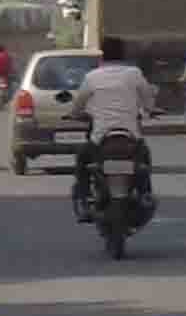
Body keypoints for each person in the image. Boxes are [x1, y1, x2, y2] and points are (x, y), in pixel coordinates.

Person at [67, 34, 160, 212]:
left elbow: (78, 104)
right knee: (144, 160)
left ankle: (84, 197)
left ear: (102, 55)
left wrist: (73, 115)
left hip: (100, 137)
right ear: (124, 55)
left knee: (82, 159)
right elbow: (148, 100)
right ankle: (145, 193)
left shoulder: (92, 77)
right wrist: (151, 110)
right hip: (131, 136)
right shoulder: (134, 74)